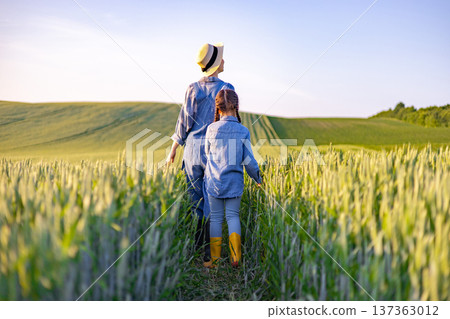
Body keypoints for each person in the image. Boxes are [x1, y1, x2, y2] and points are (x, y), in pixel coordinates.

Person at [167, 43, 234, 264]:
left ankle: (196, 246)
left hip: (193, 150)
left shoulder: (192, 88)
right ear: (216, 64)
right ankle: (208, 251)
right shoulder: (227, 89)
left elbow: (183, 121)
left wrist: (174, 149)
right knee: (211, 200)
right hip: (216, 151)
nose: (224, 61)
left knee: (194, 198)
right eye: (221, 59)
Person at [203, 89, 262, 268]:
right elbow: (249, 161)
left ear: (218, 108)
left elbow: (207, 155)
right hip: (234, 183)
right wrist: (258, 178)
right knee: (233, 217)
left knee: (215, 218)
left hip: (214, 182)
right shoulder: (243, 131)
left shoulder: (211, 129)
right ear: (236, 107)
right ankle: (235, 258)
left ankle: (214, 260)